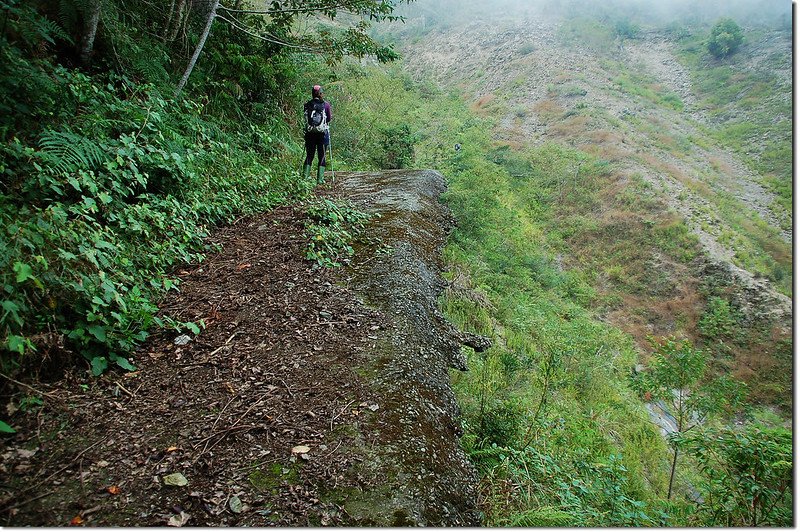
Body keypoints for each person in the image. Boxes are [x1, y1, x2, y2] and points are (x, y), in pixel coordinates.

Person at [302, 85, 332, 184]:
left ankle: (304, 178)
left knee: (309, 155)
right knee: (322, 156)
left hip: (310, 133)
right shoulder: (326, 105)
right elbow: (328, 119)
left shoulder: (307, 104)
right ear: (321, 93)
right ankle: (320, 179)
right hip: (322, 134)